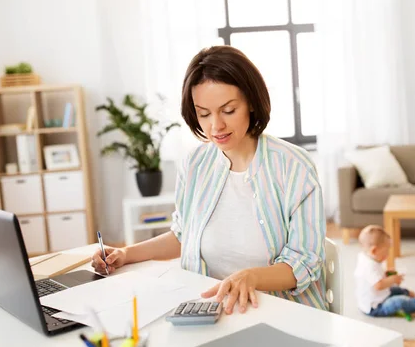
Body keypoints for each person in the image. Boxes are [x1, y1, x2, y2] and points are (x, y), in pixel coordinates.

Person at [91, 45, 327, 314]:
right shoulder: (195, 164)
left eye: (228, 110)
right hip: (213, 312)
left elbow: (306, 261)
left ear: (251, 102)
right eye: (204, 114)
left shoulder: (293, 166)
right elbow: (183, 236)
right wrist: (125, 254)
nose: (216, 126)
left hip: (283, 313)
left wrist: (252, 277)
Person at [354, 225, 415, 318]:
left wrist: (385, 274)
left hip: (381, 295)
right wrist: (393, 280)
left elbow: (373, 278)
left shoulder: (367, 257)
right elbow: (378, 285)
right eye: (386, 252)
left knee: (398, 290)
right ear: (374, 251)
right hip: (375, 307)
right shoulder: (368, 266)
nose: (387, 255)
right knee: (399, 301)